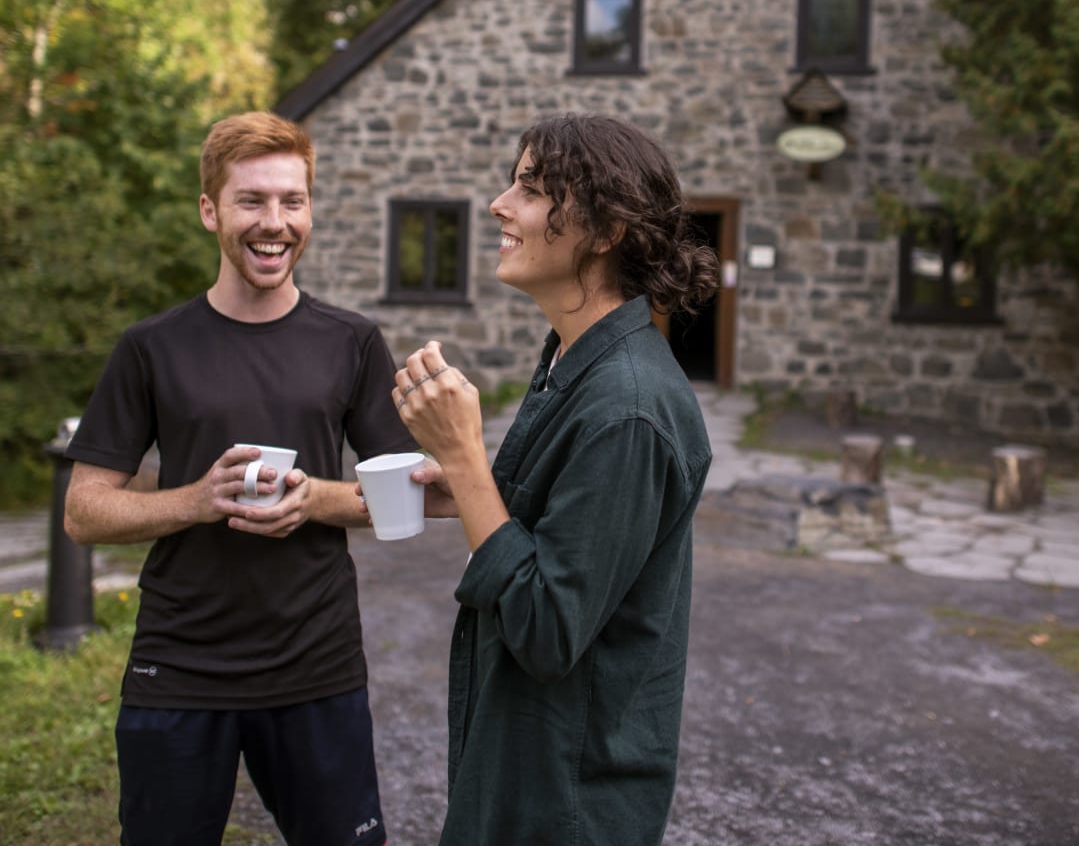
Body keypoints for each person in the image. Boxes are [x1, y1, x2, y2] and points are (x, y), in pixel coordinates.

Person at [64, 111, 410, 846]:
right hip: (180, 667)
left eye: (293, 201)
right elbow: (83, 512)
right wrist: (194, 500)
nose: (274, 222)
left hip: (317, 666)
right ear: (210, 211)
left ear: (310, 209)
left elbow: (411, 495)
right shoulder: (151, 348)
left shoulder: (352, 342)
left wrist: (315, 498)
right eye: (252, 200)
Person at [393, 112, 720, 845]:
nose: (500, 204)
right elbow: (559, 533)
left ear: (606, 232)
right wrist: (474, 490)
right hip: (527, 771)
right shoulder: (574, 363)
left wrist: (471, 461)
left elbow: (546, 629)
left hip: (569, 803)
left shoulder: (628, 408)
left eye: (532, 189)